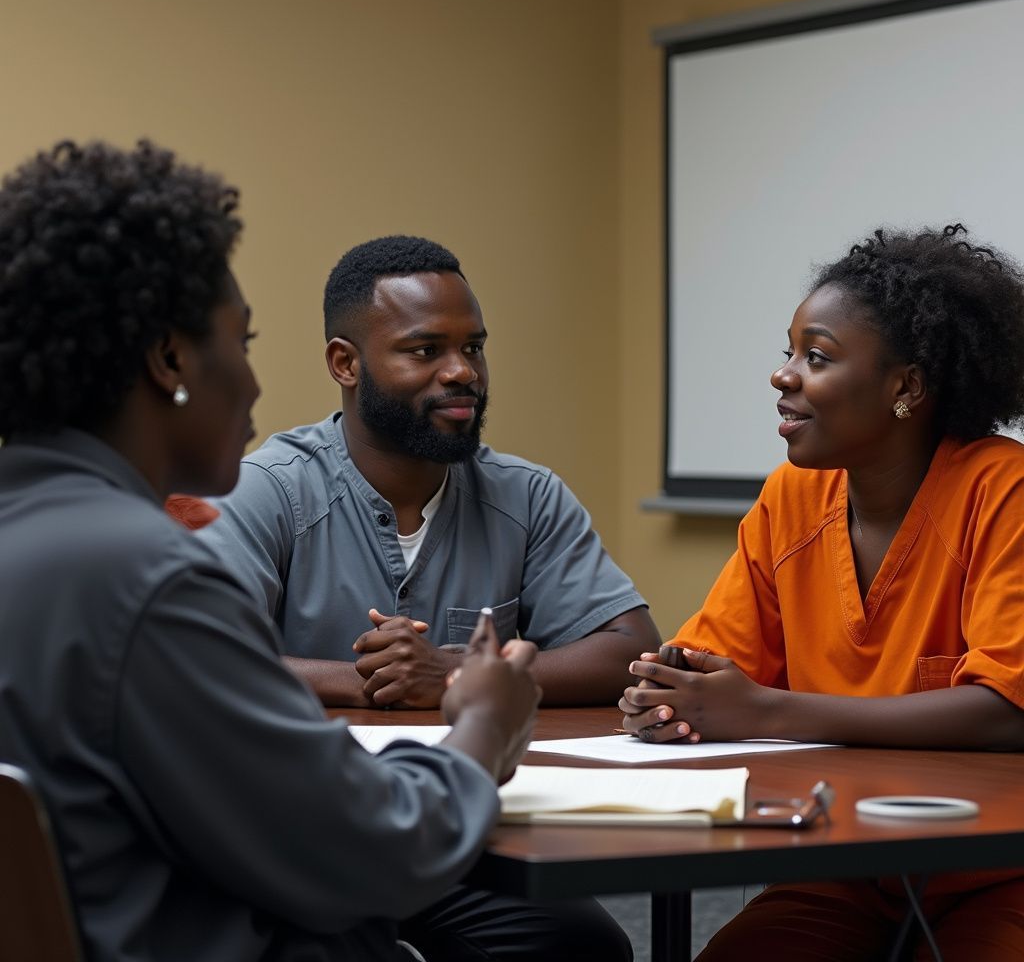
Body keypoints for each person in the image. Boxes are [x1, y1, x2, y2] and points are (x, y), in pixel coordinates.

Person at [0, 138, 595, 962]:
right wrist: (482, 731)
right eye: (241, 345)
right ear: (171, 359)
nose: (253, 386)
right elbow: (378, 851)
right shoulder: (149, 579)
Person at [619, 224, 1024, 960]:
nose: (784, 376)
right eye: (788, 353)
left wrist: (763, 708)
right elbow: (713, 666)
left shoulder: (1004, 491)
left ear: (907, 387)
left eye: (818, 357)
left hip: (997, 873)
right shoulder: (791, 499)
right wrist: (667, 694)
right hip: (842, 862)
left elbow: (1005, 712)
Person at [173, 234, 659, 709]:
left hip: (488, 781)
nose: (463, 372)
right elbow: (193, 654)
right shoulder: (266, 490)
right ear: (345, 363)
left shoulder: (527, 497)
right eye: (426, 350)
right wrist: (373, 681)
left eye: (473, 348)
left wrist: (453, 674)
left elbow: (627, 649)